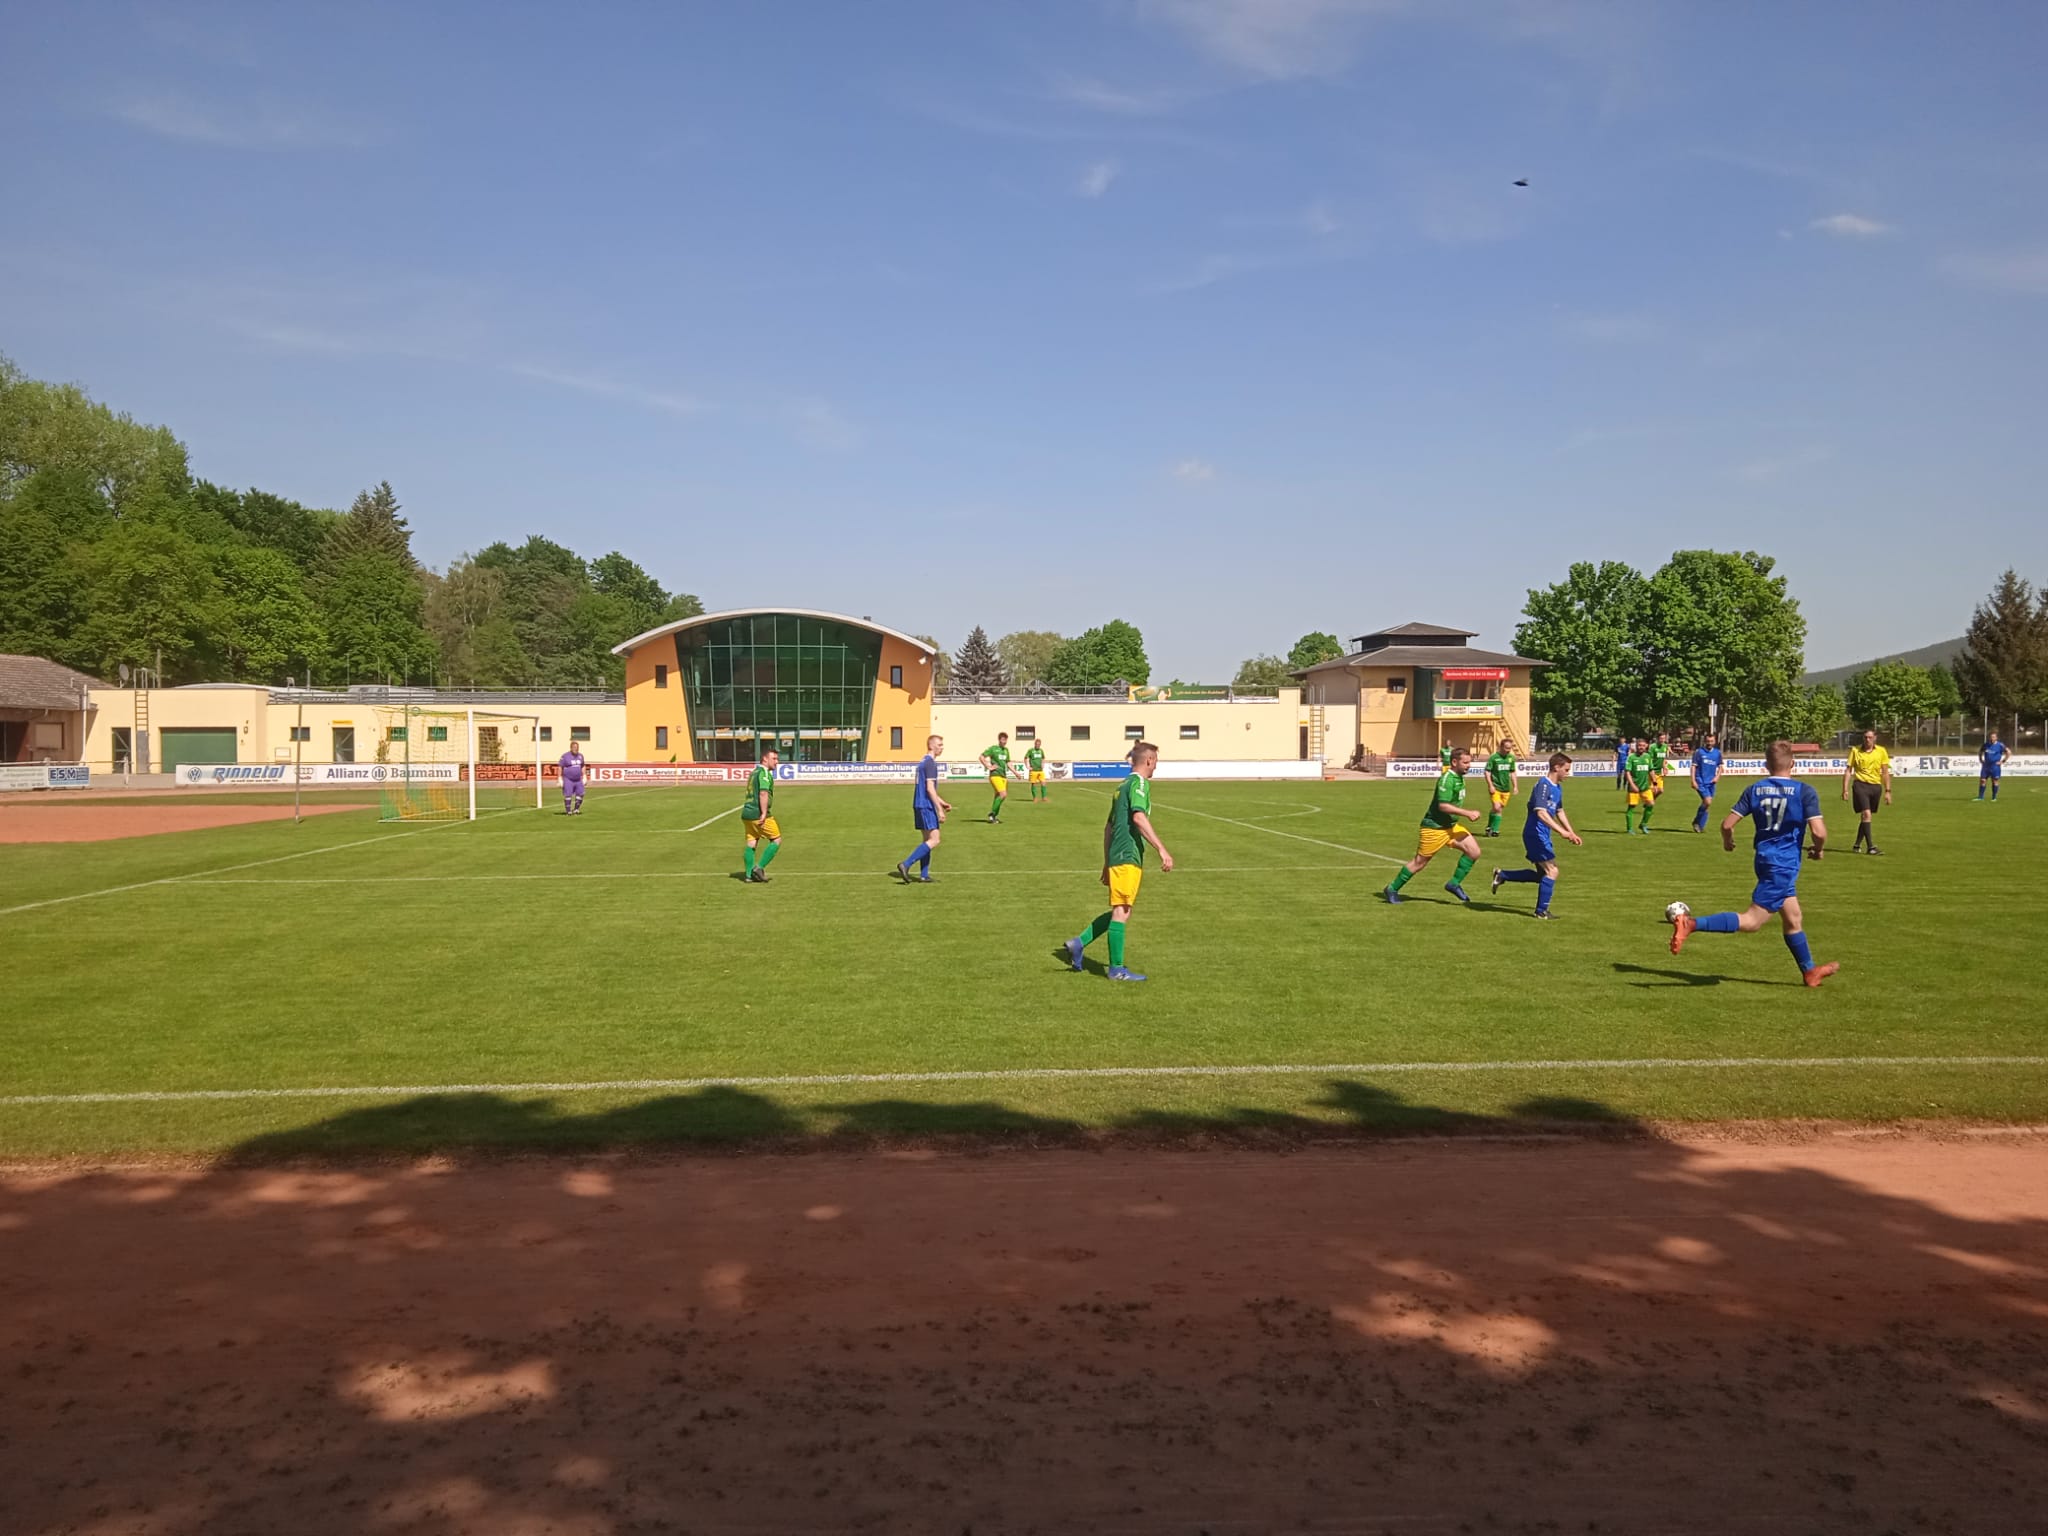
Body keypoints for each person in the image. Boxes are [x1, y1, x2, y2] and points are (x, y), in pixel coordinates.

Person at [1668, 740, 1839, 987]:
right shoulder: (1804, 791)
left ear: (1766, 765)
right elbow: (1819, 832)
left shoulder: (1755, 790)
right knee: (1752, 921)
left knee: (1793, 918)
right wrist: (1819, 849)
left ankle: (1809, 971)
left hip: (1764, 859)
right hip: (1783, 865)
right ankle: (1691, 924)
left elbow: (1727, 825)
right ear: (1793, 763)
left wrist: (1728, 841)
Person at [1065, 741, 1173, 981]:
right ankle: (1116, 969)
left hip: (1116, 855)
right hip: (1127, 854)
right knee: (1122, 911)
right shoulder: (1139, 783)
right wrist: (1162, 849)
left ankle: (1078, 943)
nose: (1156, 766)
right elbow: (1138, 817)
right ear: (1148, 760)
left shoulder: (1121, 786)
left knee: (1120, 909)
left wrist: (1107, 862)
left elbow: (1108, 828)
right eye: (1156, 761)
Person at [1383, 745, 1483, 904]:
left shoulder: (1459, 778)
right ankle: (1392, 888)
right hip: (1434, 828)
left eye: (1469, 762)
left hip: (1451, 827)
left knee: (1474, 852)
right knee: (1419, 863)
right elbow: (1443, 806)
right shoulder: (1447, 779)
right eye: (1465, 763)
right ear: (1454, 762)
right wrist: (1468, 813)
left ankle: (1454, 884)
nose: (1468, 766)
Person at [1492, 752, 1582, 918]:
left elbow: (1559, 811)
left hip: (1543, 835)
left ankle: (1503, 875)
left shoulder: (1557, 787)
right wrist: (1562, 832)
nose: (1568, 773)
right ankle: (1541, 912)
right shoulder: (1543, 785)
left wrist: (1571, 832)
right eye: (1566, 769)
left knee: (1543, 875)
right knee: (1552, 871)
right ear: (1556, 767)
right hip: (1535, 834)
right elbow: (1541, 813)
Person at [897, 735, 951, 883]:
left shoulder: (923, 762)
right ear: (931, 746)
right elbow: (930, 788)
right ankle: (906, 864)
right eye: (939, 745)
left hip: (919, 804)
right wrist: (939, 809)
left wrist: (942, 802)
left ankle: (924, 875)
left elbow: (928, 788)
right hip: (926, 805)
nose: (942, 748)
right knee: (935, 840)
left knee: (927, 840)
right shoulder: (930, 763)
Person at [1842, 729, 1892, 854]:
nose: (1867, 739)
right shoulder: (1855, 751)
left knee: (1866, 817)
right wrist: (1845, 789)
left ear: (1875, 738)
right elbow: (1848, 771)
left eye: (1870, 737)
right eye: (1865, 737)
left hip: (1875, 786)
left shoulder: (1881, 751)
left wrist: (1887, 791)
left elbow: (1885, 772)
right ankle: (1871, 847)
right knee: (1866, 814)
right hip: (1860, 785)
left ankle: (1857, 845)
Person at [740, 748, 781, 883]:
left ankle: (748, 875)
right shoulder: (764, 773)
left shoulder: (754, 773)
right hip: (757, 813)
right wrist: (763, 813)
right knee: (776, 839)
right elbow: (763, 793)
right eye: (774, 759)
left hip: (747, 813)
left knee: (751, 842)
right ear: (765, 759)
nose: (777, 762)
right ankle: (759, 868)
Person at [1482, 742, 1518, 837]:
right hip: (1496, 787)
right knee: (1497, 807)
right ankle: (1495, 830)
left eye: (1510, 748)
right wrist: (1490, 785)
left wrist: (1515, 786)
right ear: (1501, 747)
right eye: (1506, 748)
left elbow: (1512, 772)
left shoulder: (1511, 758)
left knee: (1498, 809)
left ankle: (1489, 826)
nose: (1508, 750)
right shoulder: (1494, 758)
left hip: (1506, 789)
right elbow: (1487, 772)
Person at [1690, 732, 1724, 833]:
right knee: (1707, 801)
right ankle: (1697, 821)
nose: (1709, 743)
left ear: (1715, 741)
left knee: (1707, 804)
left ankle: (1700, 826)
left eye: (1711, 741)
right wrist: (1693, 780)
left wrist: (1717, 777)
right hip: (1700, 781)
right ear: (1705, 741)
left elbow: (1721, 766)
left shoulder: (1717, 753)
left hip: (1711, 783)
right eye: (1708, 741)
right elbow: (1693, 766)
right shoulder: (1699, 752)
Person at [1623, 736, 1656, 834]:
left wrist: (1654, 782)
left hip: (1645, 786)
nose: (1641, 747)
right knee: (1632, 807)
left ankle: (1643, 824)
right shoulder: (1631, 757)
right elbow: (1627, 772)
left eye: (1643, 745)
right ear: (1636, 746)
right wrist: (1632, 785)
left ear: (1646, 746)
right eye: (1639, 745)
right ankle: (1629, 828)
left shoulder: (1647, 757)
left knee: (1651, 804)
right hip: (1634, 788)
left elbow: (1651, 770)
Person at [981, 732, 1013, 823]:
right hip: (995, 775)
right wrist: (988, 766)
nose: (1004, 741)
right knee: (1003, 794)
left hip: (1003, 776)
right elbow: (981, 757)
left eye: (1006, 740)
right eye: (1003, 739)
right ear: (999, 740)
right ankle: (992, 814)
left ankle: (993, 817)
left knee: (998, 796)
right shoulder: (993, 749)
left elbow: (1008, 762)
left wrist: (1015, 772)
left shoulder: (1006, 750)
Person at [1979, 731, 2008, 801]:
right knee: (1983, 780)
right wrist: (1981, 759)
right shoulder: (1986, 745)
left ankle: (1994, 798)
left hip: (1995, 766)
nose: (1992, 738)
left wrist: (2003, 761)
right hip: (1986, 766)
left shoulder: (2000, 745)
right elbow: (1980, 751)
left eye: (1993, 737)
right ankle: (1980, 797)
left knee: (1995, 781)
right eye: (1991, 737)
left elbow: (2008, 752)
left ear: (1996, 738)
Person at [558, 743, 587, 816]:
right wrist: (559, 778)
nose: (575, 748)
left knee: (581, 794)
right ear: (571, 748)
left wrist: (584, 776)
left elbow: (583, 766)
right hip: (568, 779)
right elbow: (560, 767)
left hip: (578, 779)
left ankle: (576, 809)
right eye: (574, 747)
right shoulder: (565, 756)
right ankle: (568, 811)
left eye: (577, 747)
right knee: (568, 795)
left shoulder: (580, 756)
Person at [1650, 731, 1672, 801]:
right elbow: (1650, 760)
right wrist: (1651, 771)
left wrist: (1664, 767)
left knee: (1661, 791)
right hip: (1652, 772)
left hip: (1659, 772)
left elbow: (1663, 758)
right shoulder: (1652, 747)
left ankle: (1651, 800)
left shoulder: (1665, 746)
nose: (1662, 740)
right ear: (1657, 738)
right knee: (1654, 790)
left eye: (1664, 738)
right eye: (1661, 738)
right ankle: (1649, 801)